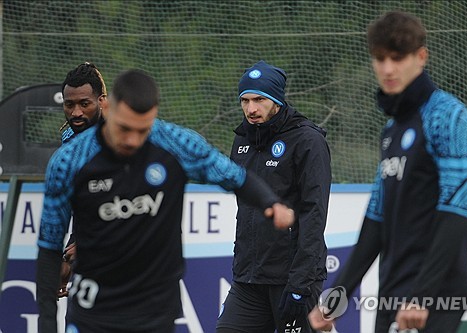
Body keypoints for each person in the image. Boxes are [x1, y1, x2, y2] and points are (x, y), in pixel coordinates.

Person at [36, 69, 295, 333]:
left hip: (155, 309)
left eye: (142, 130)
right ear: (109, 107)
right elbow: (48, 246)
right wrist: (46, 323)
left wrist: (270, 203)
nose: (132, 140)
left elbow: (234, 176)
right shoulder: (70, 160)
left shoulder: (174, 143)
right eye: (124, 128)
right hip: (93, 310)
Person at [308, 10, 467, 333]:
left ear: (421, 57)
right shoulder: (391, 130)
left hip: (435, 294)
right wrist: (336, 299)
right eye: (380, 58)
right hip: (393, 291)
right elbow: (376, 218)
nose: (387, 69)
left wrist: (422, 297)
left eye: (397, 58)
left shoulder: (450, 116)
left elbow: (456, 210)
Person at [216, 60, 331, 333]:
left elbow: (314, 214)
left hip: (293, 280)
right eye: (244, 100)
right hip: (249, 279)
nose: (251, 109)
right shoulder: (242, 140)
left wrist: (300, 283)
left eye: (259, 100)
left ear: (277, 100)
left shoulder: (308, 141)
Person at [58, 62, 108, 299]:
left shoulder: (124, 140)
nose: (76, 112)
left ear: (101, 101)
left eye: (84, 104)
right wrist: (68, 255)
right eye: (69, 105)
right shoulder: (70, 138)